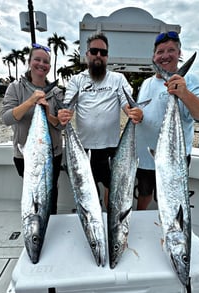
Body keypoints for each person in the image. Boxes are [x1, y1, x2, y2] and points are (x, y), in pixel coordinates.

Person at [58, 32, 143, 207]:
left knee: (111, 187)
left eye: (103, 53)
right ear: (87, 54)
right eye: (94, 51)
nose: (98, 55)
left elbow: (127, 105)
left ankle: (108, 216)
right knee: (88, 189)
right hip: (84, 149)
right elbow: (68, 108)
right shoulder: (76, 80)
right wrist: (64, 114)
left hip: (111, 147)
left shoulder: (117, 79)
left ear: (107, 57)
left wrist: (134, 113)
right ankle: (95, 217)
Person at [135, 31, 199, 210]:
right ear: (154, 57)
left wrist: (183, 93)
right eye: (160, 51)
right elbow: (146, 111)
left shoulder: (190, 80)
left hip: (173, 159)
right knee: (144, 194)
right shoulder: (146, 83)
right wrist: (139, 115)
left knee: (171, 200)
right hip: (146, 157)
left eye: (171, 50)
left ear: (179, 54)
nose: (165, 55)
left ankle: (168, 232)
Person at [2, 43, 64, 215]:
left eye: (46, 62)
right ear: (29, 62)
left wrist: (46, 113)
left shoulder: (57, 92)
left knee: (51, 192)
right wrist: (31, 101)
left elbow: (61, 124)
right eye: (37, 59)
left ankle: (50, 222)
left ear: (49, 67)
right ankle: (35, 224)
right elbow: (6, 118)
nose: (41, 64)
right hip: (25, 155)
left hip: (52, 154)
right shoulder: (15, 88)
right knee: (32, 193)